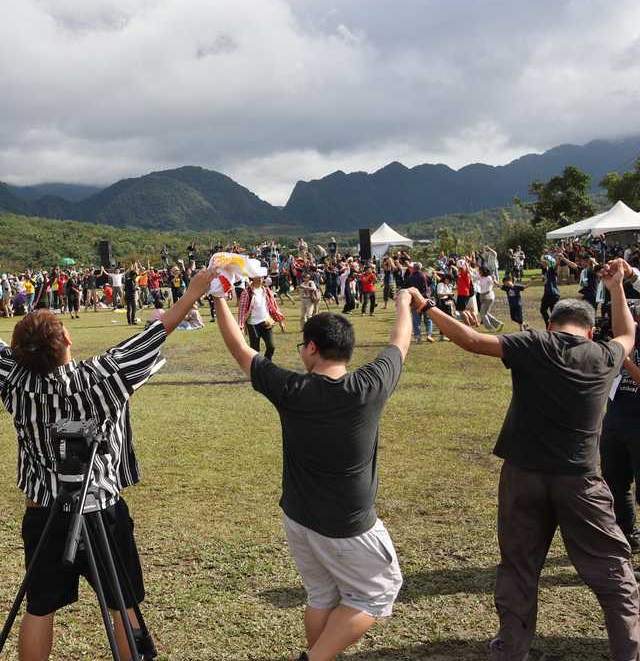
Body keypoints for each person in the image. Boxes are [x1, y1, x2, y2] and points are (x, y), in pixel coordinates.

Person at [0, 264, 217, 661]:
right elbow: (156, 333)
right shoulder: (104, 376)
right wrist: (192, 293)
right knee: (123, 606)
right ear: (67, 339)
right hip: (101, 510)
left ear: (18, 352)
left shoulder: (13, 380)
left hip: (45, 511)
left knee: (40, 607)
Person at [403, 259, 639, 661]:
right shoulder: (604, 355)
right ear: (590, 331)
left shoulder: (533, 343)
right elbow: (627, 333)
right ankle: (628, 652)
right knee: (612, 572)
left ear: (552, 324)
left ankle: (511, 650)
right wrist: (617, 287)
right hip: (580, 479)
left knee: (518, 567)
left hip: (523, 476)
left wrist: (425, 307)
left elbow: (473, 340)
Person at [214, 286, 413, 661]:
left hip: (299, 517)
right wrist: (403, 302)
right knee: (376, 592)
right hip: (349, 525)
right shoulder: (369, 385)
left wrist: (218, 299)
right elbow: (399, 342)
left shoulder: (292, 389)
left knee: (321, 594)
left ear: (310, 348)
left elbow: (241, 350)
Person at [600, 304, 640, 551]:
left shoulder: (623, 346)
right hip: (616, 419)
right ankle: (628, 535)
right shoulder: (625, 337)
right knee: (615, 481)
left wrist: (622, 358)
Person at [237, 275, 284, 360]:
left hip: (266, 322)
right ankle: (255, 367)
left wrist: (281, 322)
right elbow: (242, 311)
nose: (260, 279)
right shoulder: (247, 292)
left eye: (262, 277)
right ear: (253, 278)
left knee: (271, 346)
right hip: (253, 324)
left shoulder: (266, 290)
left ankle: (266, 364)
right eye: (257, 277)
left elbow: (274, 307)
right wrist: (241, 327)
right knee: (255, 349)